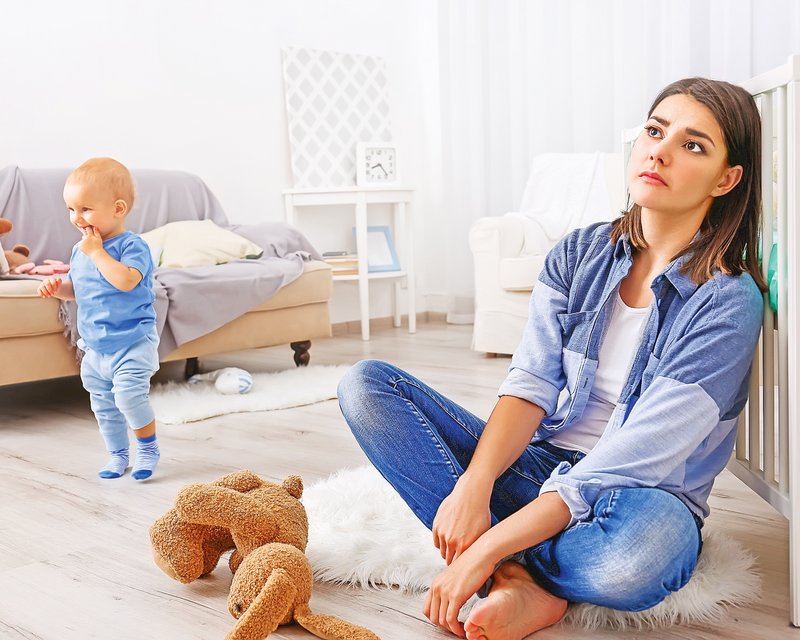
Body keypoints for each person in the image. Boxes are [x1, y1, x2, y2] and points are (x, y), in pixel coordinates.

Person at [338, 77, 766, 640]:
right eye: (654, 131)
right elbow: (531, 384)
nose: (659, 151)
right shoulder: (578, 253)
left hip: (641, 497)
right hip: (544, 466)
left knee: (634, 559)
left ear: (726, 178)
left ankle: (510, 568)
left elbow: (637, 457)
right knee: (366, 386)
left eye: (692, 145)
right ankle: (524, 578)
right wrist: (475, 483)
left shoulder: (727, 301)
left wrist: (487, 545)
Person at [38, 158, 161, 481]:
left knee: (129, 396)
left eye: (85, 209)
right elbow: (79, 289)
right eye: (71, 209)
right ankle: (118, 454)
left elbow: (125, 281)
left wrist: (96, 252)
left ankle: (147, 448)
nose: (76, 218)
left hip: (133, 340)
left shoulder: (132, 246)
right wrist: (58, 288)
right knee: (103, 405)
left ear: (118, 209)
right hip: (95, 346)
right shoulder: (81, 250)